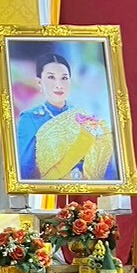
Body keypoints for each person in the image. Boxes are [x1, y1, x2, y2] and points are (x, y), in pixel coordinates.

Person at [15, 51, 116, 182]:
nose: (59, 84)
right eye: (51, 78)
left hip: (88, 195)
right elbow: (24, 170)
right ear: (39, 82)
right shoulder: (30, 119)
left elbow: (106, 165)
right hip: (47, 195)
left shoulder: (85, 117)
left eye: (64, 78)